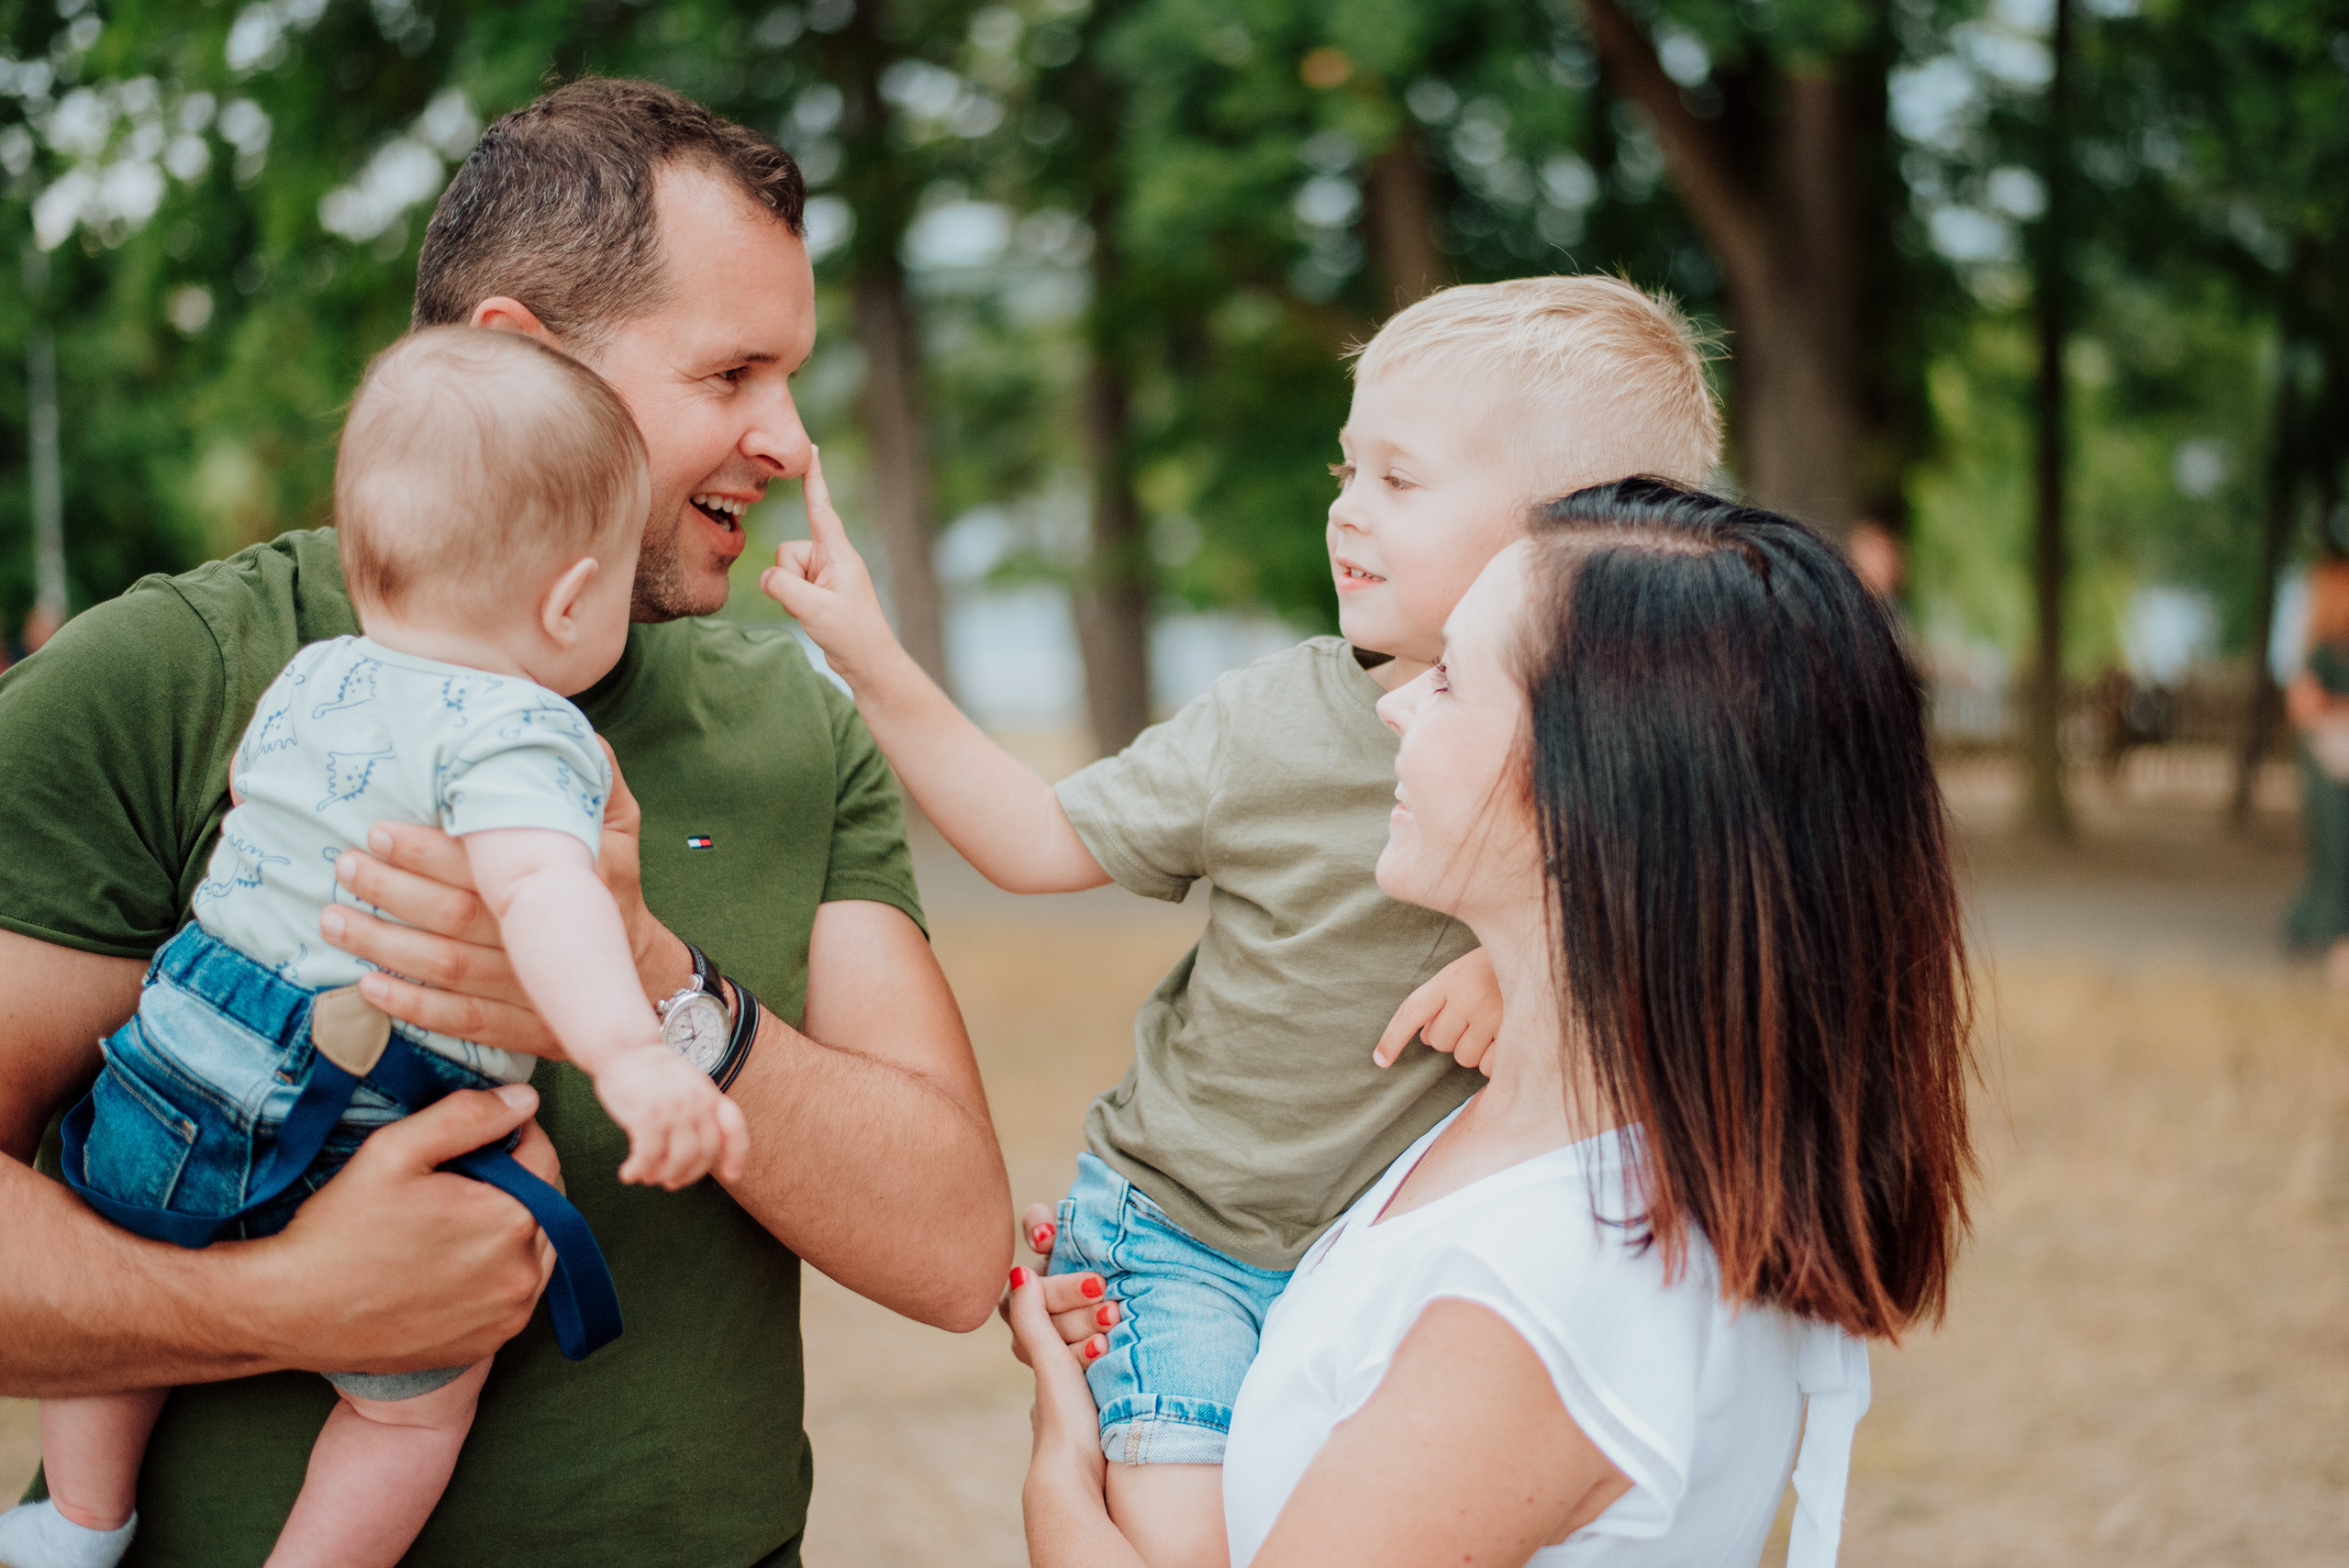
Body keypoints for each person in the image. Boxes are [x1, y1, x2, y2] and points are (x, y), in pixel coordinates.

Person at [0, 79, 1008, 1567]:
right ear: (526, 357)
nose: (791, 441)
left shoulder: (794, 722)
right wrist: (280, 1304)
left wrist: (656, 980)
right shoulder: (160, 676)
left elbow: (954, 1254)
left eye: (791, 377)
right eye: (732, 373)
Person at [767, 278, 1720, 1567]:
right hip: (1187, 1242)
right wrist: (871, 656)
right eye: (1347, 467)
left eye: (1400, 477)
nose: (1347, 507)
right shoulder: (1272, 724)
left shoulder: (1642, 788)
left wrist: (1533, 962)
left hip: (1374, 1268)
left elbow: (1704, 972)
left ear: (1581, 541)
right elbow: (1037, 838)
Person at [1008, 479, 1977, 1568]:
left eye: (1451, 677)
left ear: (1593, 790)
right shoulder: (1530, 1125)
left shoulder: (1543, 1298)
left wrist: (1062, 1461)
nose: (1392, 706)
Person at [1, 328, 755, 1568]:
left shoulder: (312, 676)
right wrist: (628, 1053)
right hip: (362, 1105)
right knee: (412, 1411)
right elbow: (543, 892)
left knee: (127, 1258)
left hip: (181, 1051)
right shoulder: (523, 729)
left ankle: (78, 1523)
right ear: (571, 598)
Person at [2286, 556, 2349, 986]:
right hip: (2329, 764)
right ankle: (2325, 937)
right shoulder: (2321, 654)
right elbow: (2304, 705)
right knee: (2335, 853)